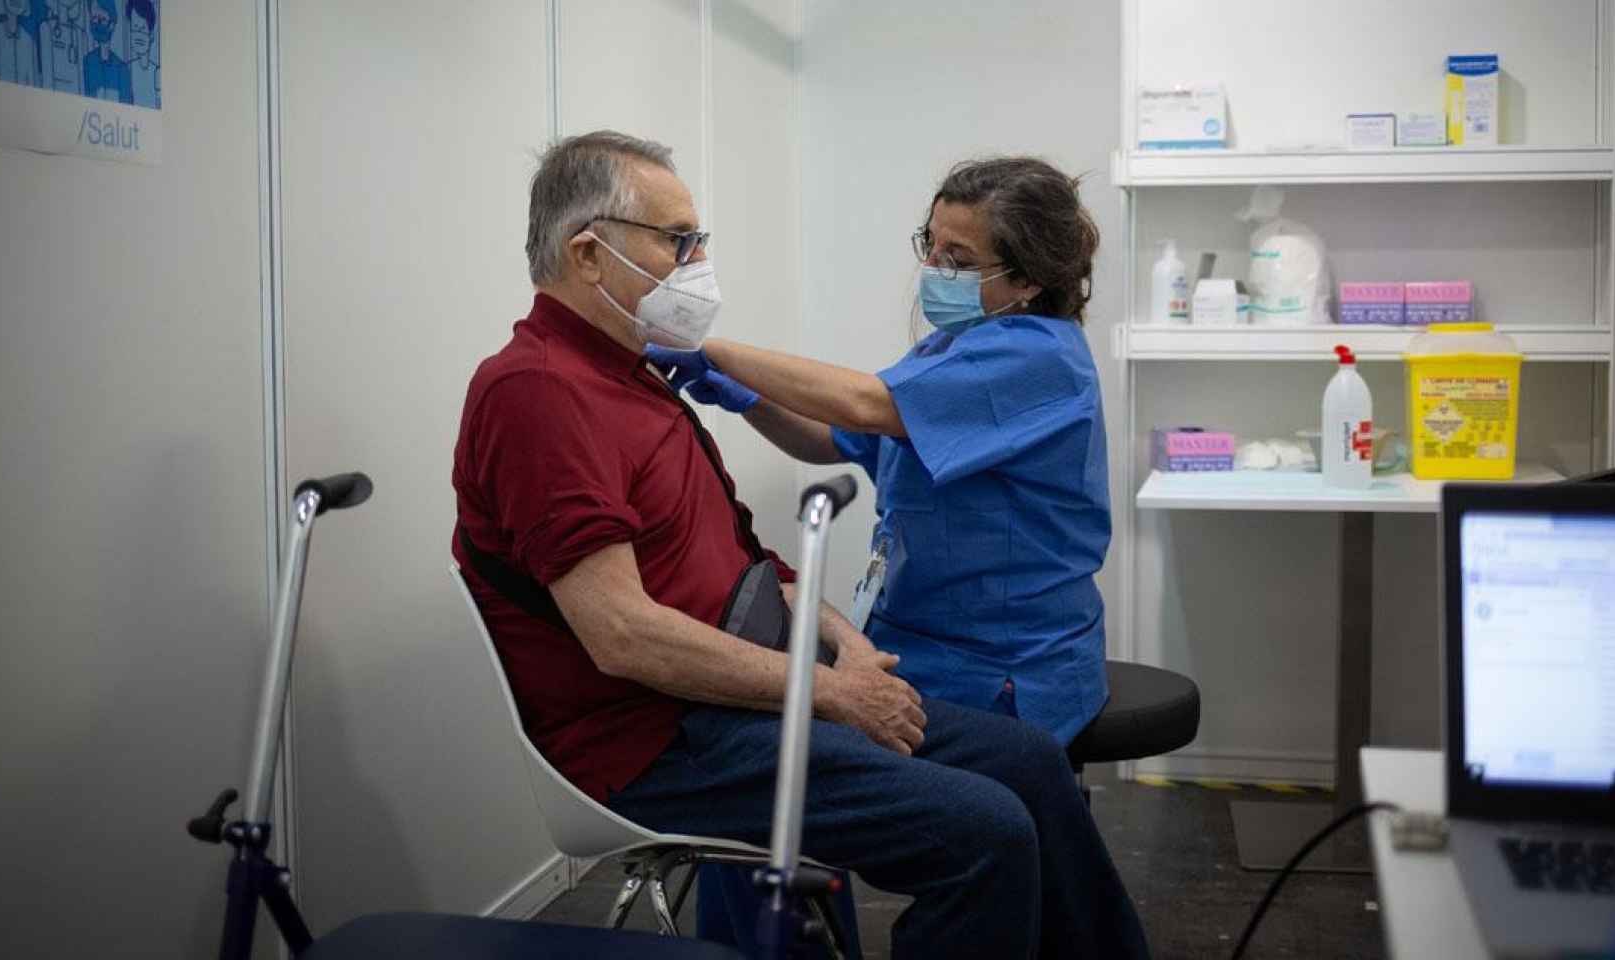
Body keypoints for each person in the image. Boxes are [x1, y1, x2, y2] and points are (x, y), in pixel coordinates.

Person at [452, 130, 1149, 959]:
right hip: (667, 730)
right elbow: (624, 634)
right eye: (680, 241)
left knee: (1030, 765)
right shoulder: (542, 392)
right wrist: (829, 689)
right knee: (988, 829)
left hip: (886, 660)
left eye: (960, 257)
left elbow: (765, 539)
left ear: (1027, 278)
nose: (697, 258)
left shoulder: (629, 380)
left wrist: (843, 656)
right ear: (591, 256)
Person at [647, 156, 1112, 747]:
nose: (933, 268)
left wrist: (714, 349)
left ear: (1028, 280)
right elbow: (832, 437)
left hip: (1003, 664)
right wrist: (745, 400)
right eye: (931, 243)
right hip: (919, 639)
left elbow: (866, 404)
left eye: (959, 260)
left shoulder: (1040, 359)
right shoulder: (949, 349)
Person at [82, 0, 129, 103]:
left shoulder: (122, 68)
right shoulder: (87, 61)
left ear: (112, 25)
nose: (97, 23)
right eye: (94, 18)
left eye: (102, 19)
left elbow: (127, 103)